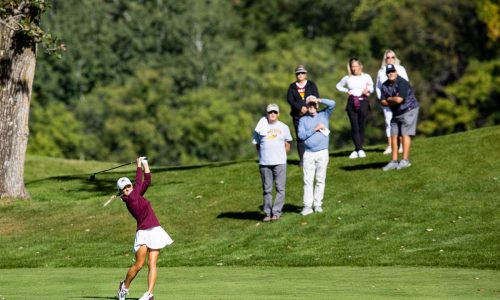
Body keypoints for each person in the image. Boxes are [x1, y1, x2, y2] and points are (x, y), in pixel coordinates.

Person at [116, 157, 174, 300]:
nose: (127, 188)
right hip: (142, 232)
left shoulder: (136, 193)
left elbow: (147, 181)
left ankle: (149, 294)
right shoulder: (130, 198)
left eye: (128, 186)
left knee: (152, 263)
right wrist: (138, 165)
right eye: (124, 188)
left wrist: (145, 163)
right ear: (121, 192)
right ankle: (124, 286)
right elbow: (139, 180)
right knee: (139, 264)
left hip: (154, 229)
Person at [253, 104, 293, 221]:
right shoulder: (261, 127)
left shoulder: (284, 127)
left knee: (280, 188)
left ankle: (276, 212)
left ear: (278, 114)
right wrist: (265, 154)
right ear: (267, 114)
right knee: (267, 189)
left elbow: (287, 144)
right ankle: (267, 213)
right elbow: (257, 144)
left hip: (280, 162)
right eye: (270, 112)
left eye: (275, 112)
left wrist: (281, 155)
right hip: (265, 163)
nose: (273, 114)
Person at [298, 96, 336, 215]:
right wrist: (315, 129)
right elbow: (301, 136)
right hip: (308, 153)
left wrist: (318, 100)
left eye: (313, 104)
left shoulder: (324, 115)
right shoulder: (303, 120)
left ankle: (318, 204)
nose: (311, 107)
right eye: (309, 105)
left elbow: (332, 103)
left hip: (322, 152)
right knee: (308, 180)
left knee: (320, 179)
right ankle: (307, 206)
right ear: (307, 107)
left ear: (317, 105)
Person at [380, 64, 419, 171]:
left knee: (405, 134)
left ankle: (405, 160)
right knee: (393, 135)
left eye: (392, 71)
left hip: (409, 110)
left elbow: (400, 100)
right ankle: (394, 161)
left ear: (396, 72)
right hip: (396, 112)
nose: (391, 73)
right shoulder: (384, 85)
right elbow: (382, 101)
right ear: (386, 74)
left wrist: (389, 99)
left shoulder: (402, 82)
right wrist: (392, 99)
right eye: (389, 72)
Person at [335, 58, 374, 159]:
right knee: (354, 126)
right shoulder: (348, 78)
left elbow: (372, 87)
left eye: (356, 66)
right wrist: (347, 90)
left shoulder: (366, 77)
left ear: (360, 66)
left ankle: (357, 149)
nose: (354, 69)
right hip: (352, 102)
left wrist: (368, 90)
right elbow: (338, 86)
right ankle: (360, 149)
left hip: (363, 101)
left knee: (361, 126)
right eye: (352, 67)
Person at [376, 50, 409, 155]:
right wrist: (381, 99)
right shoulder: (381, 72)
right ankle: (390, 146)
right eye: (388, 57)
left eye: (392, 57)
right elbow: (378, 86)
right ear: (385, 59)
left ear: (395, 58)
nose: (390, 59)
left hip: (399, 100)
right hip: (386, 101)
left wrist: (401, 97)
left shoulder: (400, 69)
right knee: (388, 122)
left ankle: (401, 145)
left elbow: (405, 83)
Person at [287, 65, 320, 166]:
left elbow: (316, 96)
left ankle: (316, 158)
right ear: (296, 75)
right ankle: (303, 159)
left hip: (311, 115)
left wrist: (307, 107)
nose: (300, 75)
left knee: (313, 136)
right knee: (300, 138)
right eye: (298, 73)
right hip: (298, 116)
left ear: (306, 74)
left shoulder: (311, 84)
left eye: (302, 73)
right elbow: (290, 99)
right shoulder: (292, 86)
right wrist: (300, 108)